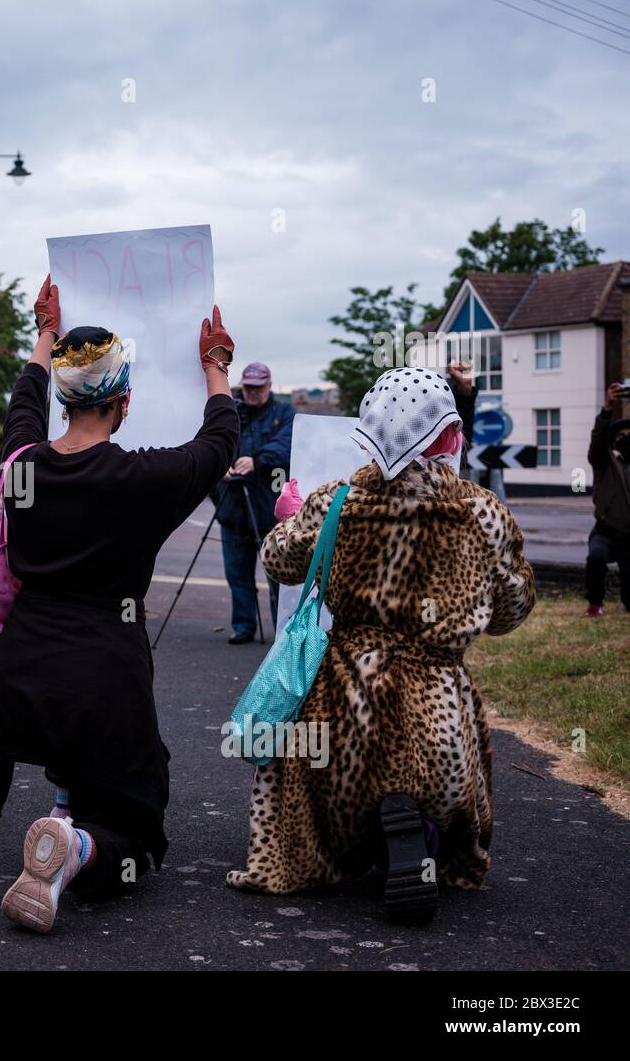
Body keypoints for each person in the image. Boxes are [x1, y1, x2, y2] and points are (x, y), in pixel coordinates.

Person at [0, 276, 240, 934]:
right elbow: (219, 443)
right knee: (138, 824)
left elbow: (23, 404)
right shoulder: (139, 480)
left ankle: (62, 815)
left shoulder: (23, 467)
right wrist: (216, 367)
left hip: (19, 677)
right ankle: (79, 848)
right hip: (103, 677)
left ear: (66, 398)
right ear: (124, 401)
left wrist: (44, 332)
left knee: (75, 743)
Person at [228, 366, 536, 924]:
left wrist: (292, 519)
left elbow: (277, 562)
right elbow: (511, 612)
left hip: (344, 703)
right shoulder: (482, 513)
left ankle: (345, 845)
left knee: (310, 799)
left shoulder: (337, 502)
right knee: (445, 793)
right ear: (447, 436)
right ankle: (419, 834)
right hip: (439, 712)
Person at [212, 362, 294, 643]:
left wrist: (258, 459)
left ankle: (282, 631)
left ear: (269, 386)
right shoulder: (232, 412)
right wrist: (220, 465)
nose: (253, 393)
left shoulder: (284, 413)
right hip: (233, 508)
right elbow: (213, 442)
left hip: (270, 510)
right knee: (237, 574)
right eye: (248, 387)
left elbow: (286, 445)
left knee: (278, 577)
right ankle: (243, 626)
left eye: (259, 388)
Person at [585, 381, 630, 616]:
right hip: (605, 529)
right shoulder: (605, 462)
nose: (626, 438)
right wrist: (607, 410)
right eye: (622, 435)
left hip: (628, 535)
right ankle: (595, 604)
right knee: (596, 557)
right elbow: (598, 442)